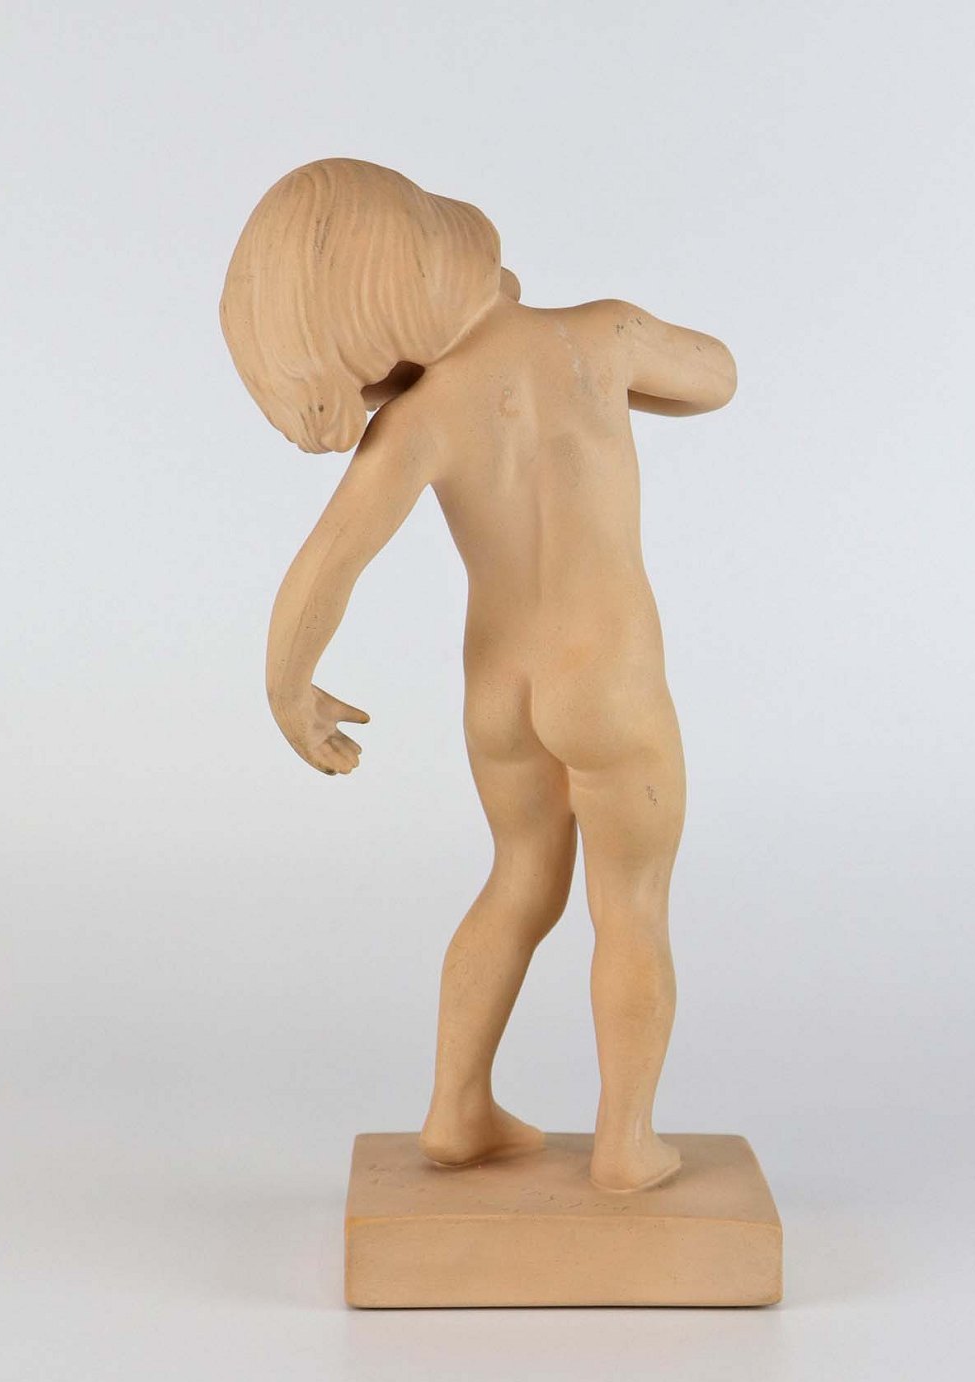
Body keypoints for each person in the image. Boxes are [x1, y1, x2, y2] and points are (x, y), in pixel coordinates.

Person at [220, 159, 736, 1191]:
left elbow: (327, 564)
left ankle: (458, 1109)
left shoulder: (418, 421)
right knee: (630, 905)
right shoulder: (600, 337)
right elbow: (715, 377)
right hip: (608, 681)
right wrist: (615, 372)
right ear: (430, 249)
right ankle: (628, 1144)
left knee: (517, 882)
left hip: (500, 691)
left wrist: (290, 692)